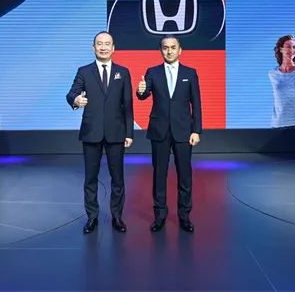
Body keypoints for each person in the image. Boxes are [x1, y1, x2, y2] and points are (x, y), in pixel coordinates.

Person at [65, 31, 134, 234]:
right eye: (99, 44)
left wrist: (129, 133)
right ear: (93, 47)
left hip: (116, 133)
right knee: (90, 178)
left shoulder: (123, 72)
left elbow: (128, 105)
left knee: (117, 178)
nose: (103, 47)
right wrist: (75, 100)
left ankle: (117, 217)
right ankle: (92, 217)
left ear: (113, 48)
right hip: (91, 132)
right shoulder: (84, 71)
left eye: (107, 44)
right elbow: (71, 93)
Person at [136, 36, 201, 233]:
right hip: (159, 131)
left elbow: (196, 104)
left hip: (184, 131)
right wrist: (140, 91)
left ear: (180, 50)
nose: (169, 51)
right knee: (159, 174)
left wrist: (196, 130)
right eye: (165, 48)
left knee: (185, 175)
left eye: (173, 47)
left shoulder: (190, 73)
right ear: (160, 50)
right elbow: (143, 95)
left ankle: (184, 216)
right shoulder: (152, 72)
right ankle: (160, 216)